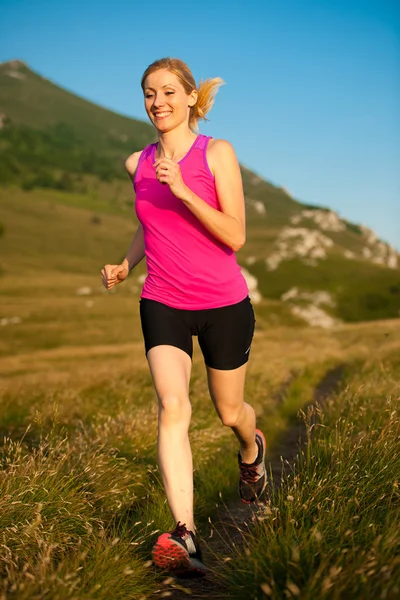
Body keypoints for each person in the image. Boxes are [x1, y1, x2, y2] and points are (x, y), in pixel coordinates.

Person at [101, 57, 266, 578]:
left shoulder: (216, 153)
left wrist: (185, 190)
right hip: (163, 300)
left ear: (191, 97)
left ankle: (251, 449)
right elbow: (148, 225)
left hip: (223, 304)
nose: (158, 103)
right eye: (149, 94)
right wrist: (127, 263)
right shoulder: (137, 163)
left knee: (229, 412)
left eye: (169, 92)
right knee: (173, 407)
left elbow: (235, 236)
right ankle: (186, 534)